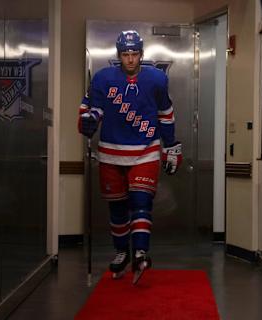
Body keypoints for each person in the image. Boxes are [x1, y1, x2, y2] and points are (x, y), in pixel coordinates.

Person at [78, 30, 182, 284]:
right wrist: (88, 121)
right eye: (125, 54)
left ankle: (140, 252)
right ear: (119, 55)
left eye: (134, 54)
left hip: (145, 151)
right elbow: (90, 109)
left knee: (140, 201)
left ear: (141, 54)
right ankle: (122, 252)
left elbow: (165, 113)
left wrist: (171, 146)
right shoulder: (103, 79)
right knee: (117, 208)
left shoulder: (156, 80)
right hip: (111, 152)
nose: (130, 59)